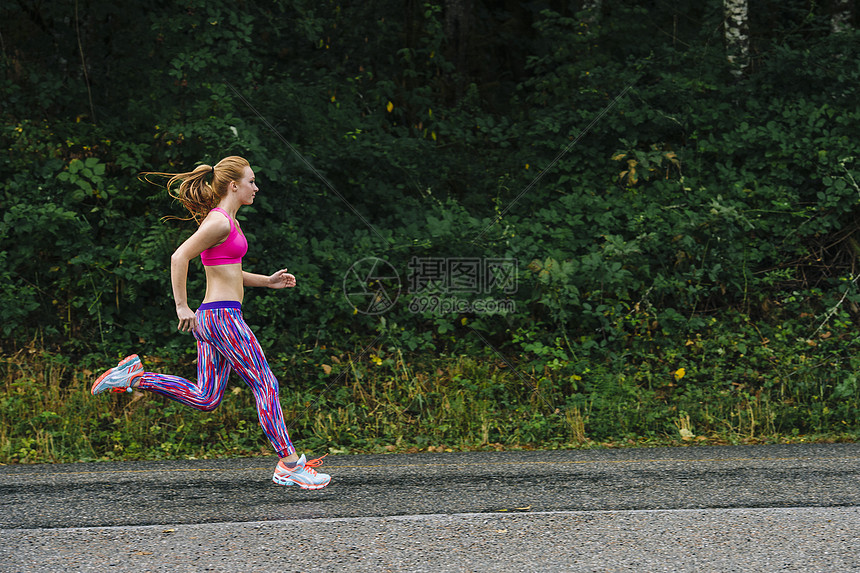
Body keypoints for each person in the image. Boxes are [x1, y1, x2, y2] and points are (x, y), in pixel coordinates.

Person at [92, 156, 330, 490]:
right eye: (251, 181)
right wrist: (181, 306)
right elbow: (179, 256)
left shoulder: (226, 221)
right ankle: (289, 464)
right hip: (221, 318)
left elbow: (229, 273)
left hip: (214, 318)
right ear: (234, 185)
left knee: (207, 397)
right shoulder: (219, 222)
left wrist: (267, 281)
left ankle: (136, 377)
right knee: (265, 383)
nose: (256, 187)